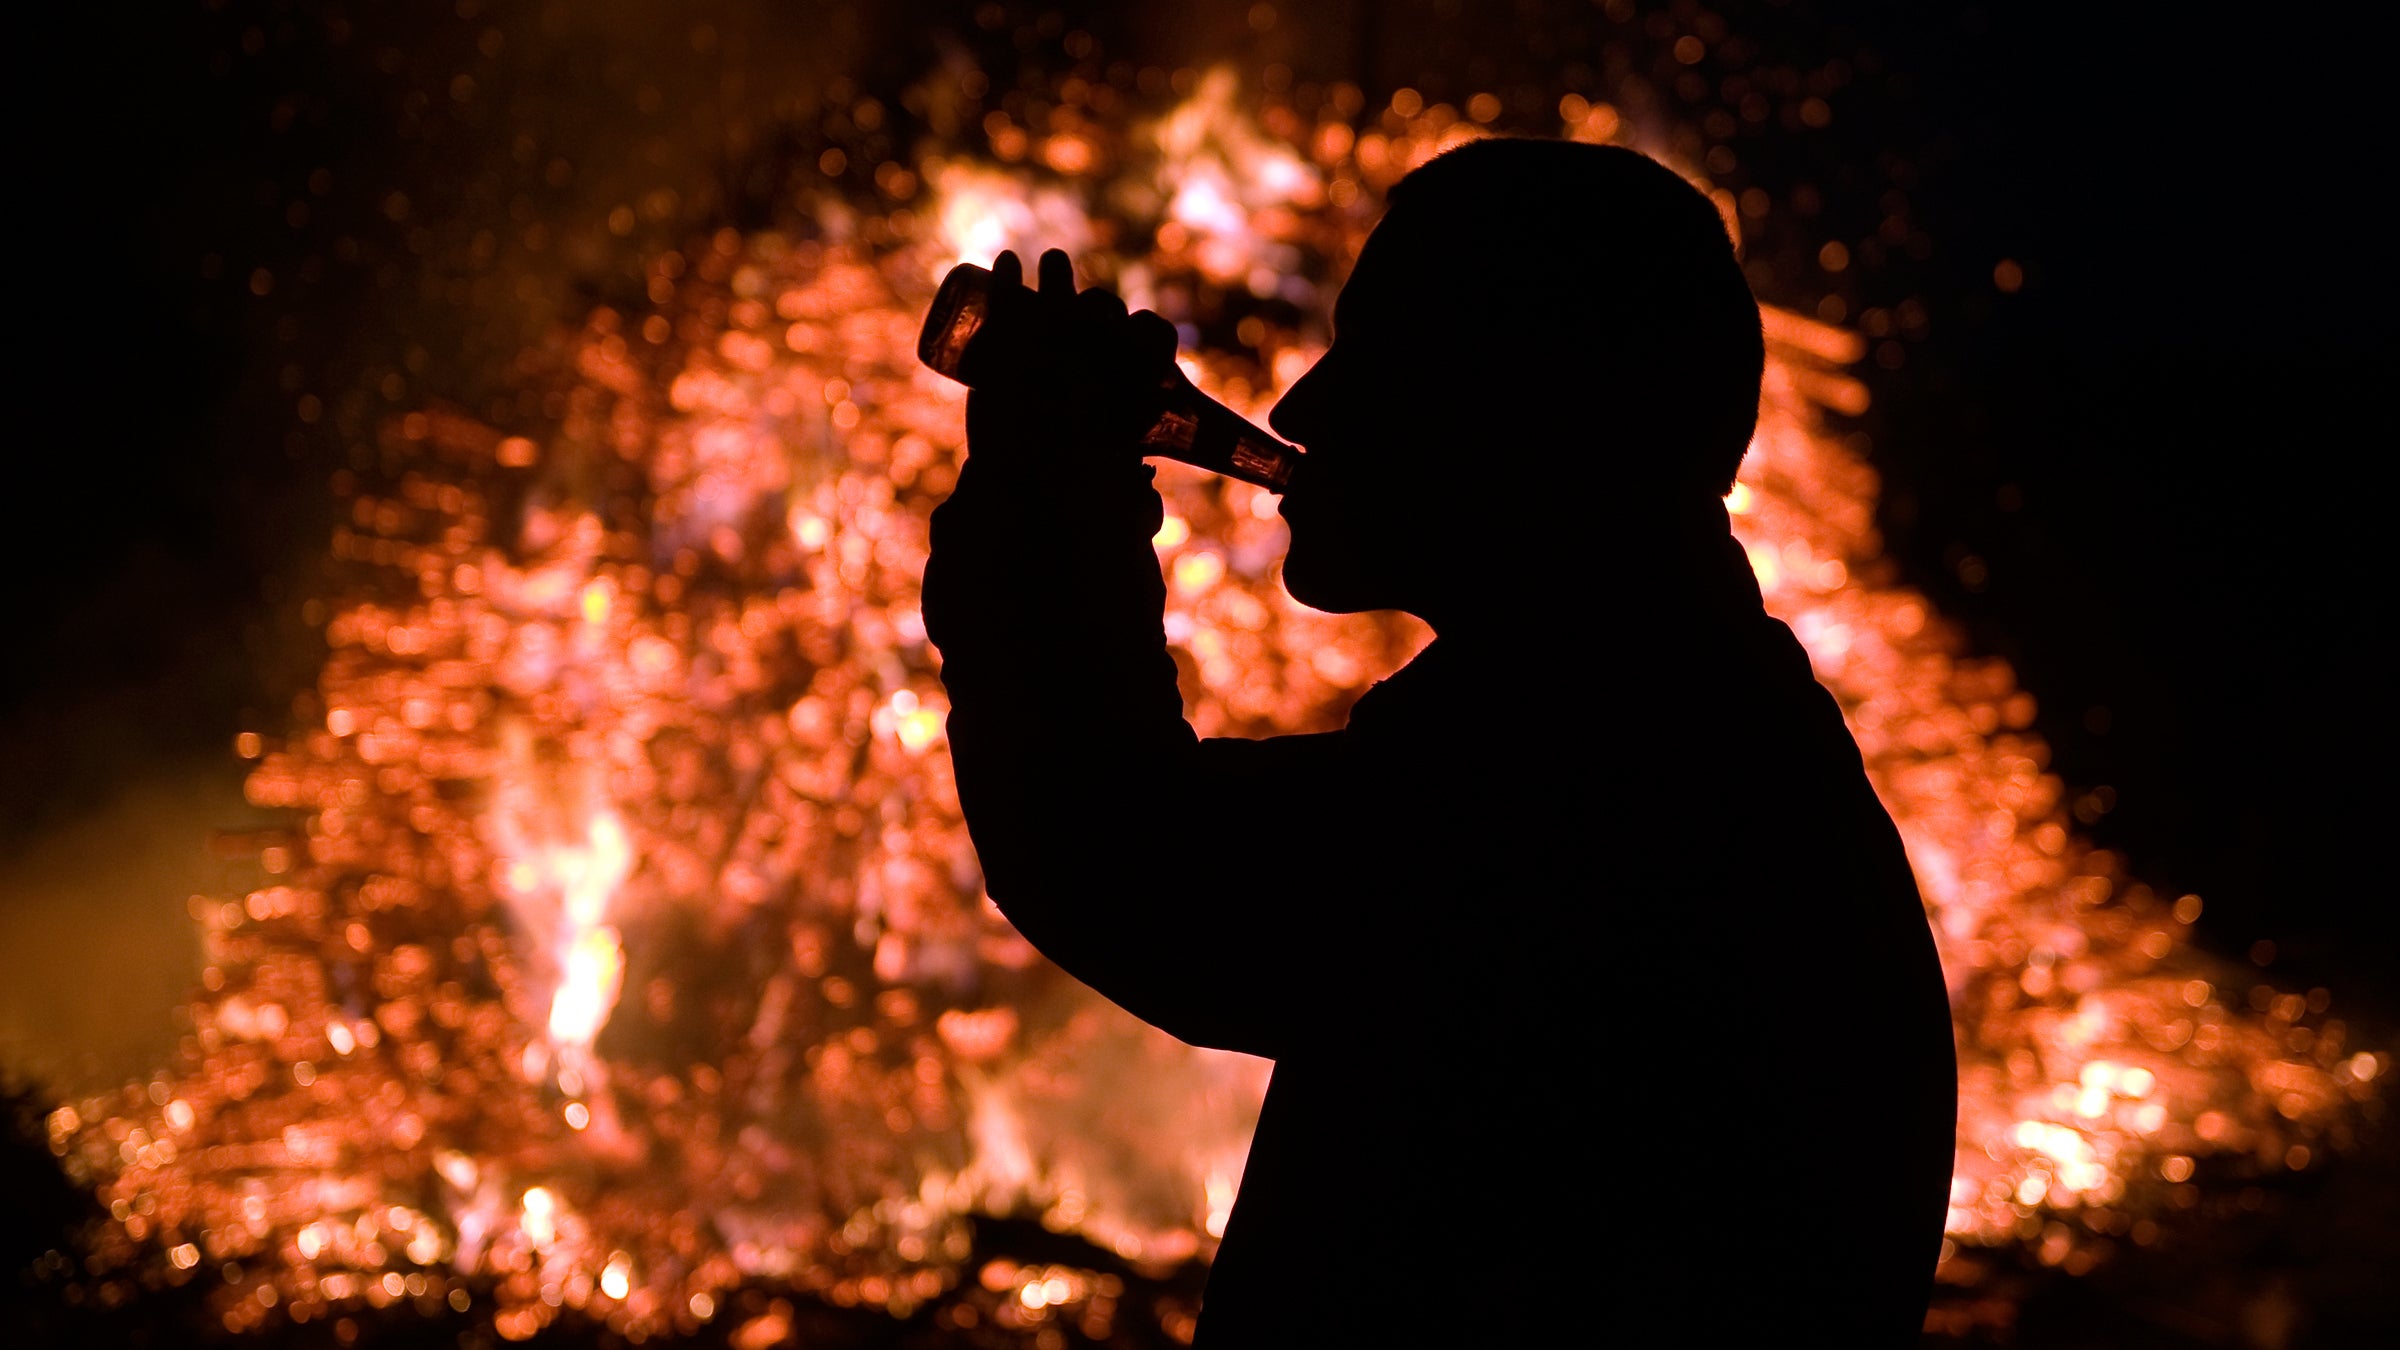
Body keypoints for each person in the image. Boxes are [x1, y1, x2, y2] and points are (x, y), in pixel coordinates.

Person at [920, 138, 1957, 1346]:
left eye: (1377, 354)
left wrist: (1051, 498)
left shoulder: (1601, 778)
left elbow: (1122, 857)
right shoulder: (1688, 725)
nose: (1302, 407)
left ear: (1522, 407)